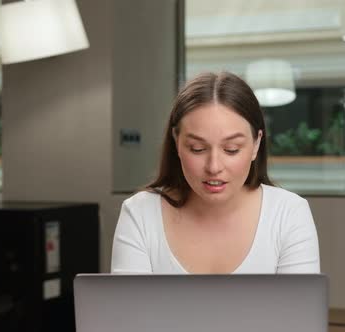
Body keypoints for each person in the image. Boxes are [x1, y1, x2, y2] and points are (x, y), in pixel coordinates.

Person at [111, 71, 320, 274]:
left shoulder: (289, 214)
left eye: (231, 149)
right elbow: (128, 310)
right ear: (176, 142)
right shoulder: (140, 214)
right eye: (197, 149)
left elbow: (299, 309)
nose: (213, 167)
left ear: (256, 144)